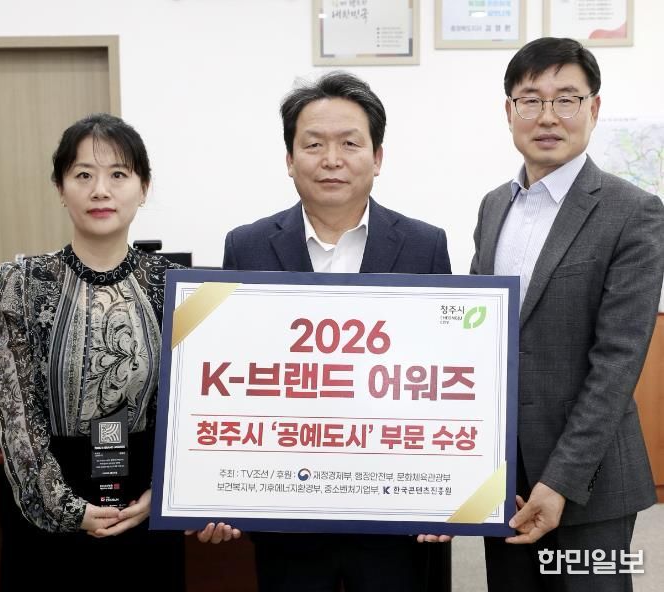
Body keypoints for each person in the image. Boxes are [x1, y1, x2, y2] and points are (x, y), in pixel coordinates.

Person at [0, 113, 234, 592]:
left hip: (144, 501)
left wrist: (164, 493)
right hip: (46, 512)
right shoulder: (20, 285)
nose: (101, 190)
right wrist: (67, 510)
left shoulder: (179, 288)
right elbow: (14, 415)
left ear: (144, 187)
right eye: (83, 175)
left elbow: (197, 408)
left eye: (118, 174)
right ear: (60, 188)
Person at [219, 71, 451, 592]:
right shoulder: (246, 247)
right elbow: (230, 377)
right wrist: (214, 490)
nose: (331, 159)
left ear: (378, 157)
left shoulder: (425, 246)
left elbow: (442, 376)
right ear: (289, 159)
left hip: (396, 514)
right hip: (285, 514)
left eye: (350, 143)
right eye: (313, 144)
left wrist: (450, 491)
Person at [470, 37, 664, 591]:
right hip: (506, 480)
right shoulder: (493, 206)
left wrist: (560, 480)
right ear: (509, 110)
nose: (548, 116)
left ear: (593, 108)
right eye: (531, 100)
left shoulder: (634, 212)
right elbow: (481, 337)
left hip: (589, 483)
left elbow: (617, 363)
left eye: (567, 99)